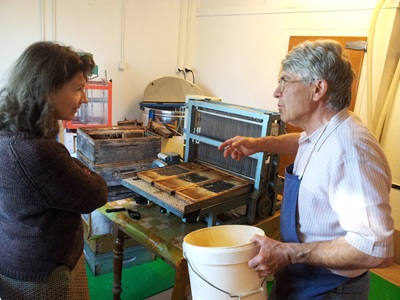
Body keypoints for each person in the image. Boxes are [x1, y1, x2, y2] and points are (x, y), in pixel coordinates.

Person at [219, 40, 394, 299]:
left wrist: (289, 252)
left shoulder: (352, 152)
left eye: (285, 81)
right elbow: (302, 141)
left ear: (318, 89)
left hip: (329, 288)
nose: (277, 92)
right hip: (301, 273)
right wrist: (257, 144)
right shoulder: (326, 128)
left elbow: (375, 247)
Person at [0, 41, 108, 299]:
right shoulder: (37, 151)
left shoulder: (10, 133)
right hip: (47, 273)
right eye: (79, 89)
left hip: (16, 253)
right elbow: (96, 193)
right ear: (47, 90)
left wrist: (69, 163)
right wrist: (76, 165)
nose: (84, 98)